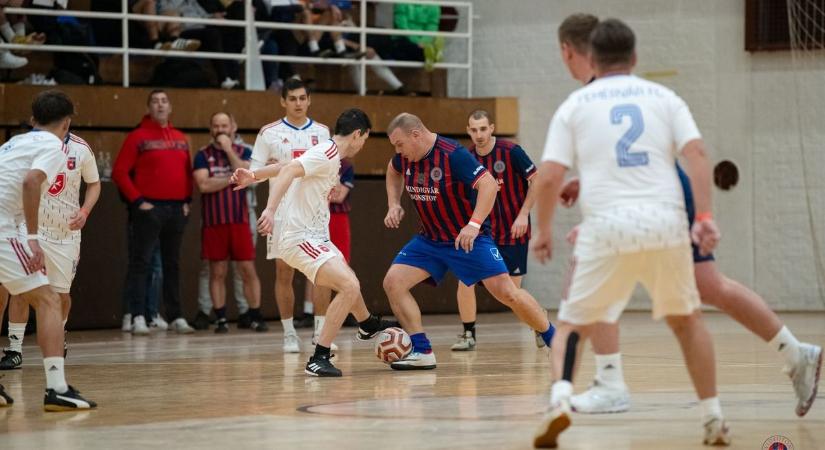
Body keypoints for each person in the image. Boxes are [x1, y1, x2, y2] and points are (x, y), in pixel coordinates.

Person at [556, 13, 822, 418]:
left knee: (585, 283)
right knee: (709, 285)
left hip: (650, 199)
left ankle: (609, 382)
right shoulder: (620, 90)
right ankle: (795, 352)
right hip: (661, 190)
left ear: (577, 53)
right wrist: (583, 182)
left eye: (567, 57)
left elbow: (624, 161)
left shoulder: (595, 94)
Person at [531, 19, 729, 447]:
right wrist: (705, 216)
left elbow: (548, 177)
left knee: (570, 323)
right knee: (688, 323)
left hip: (606, 229)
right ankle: (713, 418)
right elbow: (696, 155)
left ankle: (560, 400)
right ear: (635, 58)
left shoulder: (576, 104)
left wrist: (542, 230)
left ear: (593, 60)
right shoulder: (665, 97)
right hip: (666, 224)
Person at [382, 113, 555, 371]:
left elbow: (488, 185)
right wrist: (393, 203)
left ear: (416, 135)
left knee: (508, 294)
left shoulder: (453, 154)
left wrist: (473, 225)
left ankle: (554, 338)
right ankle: (422, 350)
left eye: (400, 144)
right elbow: (393, 170)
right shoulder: (406, 157)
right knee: (393, 282)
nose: (399, 151)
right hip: (430, 240)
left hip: (467, 240)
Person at [232, 108, 396, 377]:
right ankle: (319, 357)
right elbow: (288, 173)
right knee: (349, 285)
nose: (363, 145)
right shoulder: (327, 153)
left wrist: (254, 175)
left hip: (317, 236)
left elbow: (286, 167)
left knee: (348, 278)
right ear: (357, 135)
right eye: (364, 139)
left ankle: (367, 324)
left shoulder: (326, 151)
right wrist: (271, 210)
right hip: (300, 237)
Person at [0, 89, 95, 410]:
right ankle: (57, 388)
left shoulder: (13, 142)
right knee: (48, 300)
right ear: (66, 123)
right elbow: (30, 182)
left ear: (32, 119)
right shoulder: (54, 144)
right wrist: (30, 237)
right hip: (5, 229)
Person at [250, 78, 330, 352]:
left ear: (309, 100)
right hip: (283, 214)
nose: (298, 103)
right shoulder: (268, 133)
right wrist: (268, 170)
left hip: (315, 214)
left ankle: (321, 332)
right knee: (284, 273)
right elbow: (253, 173)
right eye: (292, 98)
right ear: (283, 101)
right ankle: (288, 333)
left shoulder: (322, 132)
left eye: (302, 98)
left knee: (321, 273)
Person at [451, 110, 539, 351]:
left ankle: (540, 324)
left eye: (483, 129)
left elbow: (536, 180)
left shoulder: (511, 152)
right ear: (468, 131)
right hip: (481, 233)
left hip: (513, 231)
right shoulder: (465, 157)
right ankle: (468, 334)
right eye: (473, 129)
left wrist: (523, 215)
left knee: (511, 293)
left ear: (491, 128)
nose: (479, 134)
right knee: (465, 281)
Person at [112, 89, 195, 335]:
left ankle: (176, 316)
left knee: (172, 264)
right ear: (149, 108)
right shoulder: (137, 136)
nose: (160, 105)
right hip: (149, 209)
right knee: (141, 263)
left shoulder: (181, 137)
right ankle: (138, 315)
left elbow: (187, 172)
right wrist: (138, 201)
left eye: (164, 101)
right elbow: (119, 172)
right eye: (155, 102)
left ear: (170, 107)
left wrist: (187, 200)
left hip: (176, 208)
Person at [193, 112, 267, 334]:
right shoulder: (202, 154)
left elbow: (250, 177)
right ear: (210, 129)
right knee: (217, 271)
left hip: (240, 219)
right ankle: (221, 318)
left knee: (247, 269)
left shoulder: (245, 151)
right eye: (216, 126)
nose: (220, 130)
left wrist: (228, 149)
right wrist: (232, 179)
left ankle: (254, 315)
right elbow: (203, 185)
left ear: (233, 127)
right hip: (214, 221)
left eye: (224, 125)